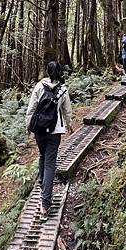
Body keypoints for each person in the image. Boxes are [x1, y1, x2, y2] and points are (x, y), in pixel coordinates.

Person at [26, 61, 73, 220]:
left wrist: (28, 125)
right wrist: (69, 125)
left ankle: (43, 184)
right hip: (54, 131)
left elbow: (31, 108)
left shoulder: (39, 86)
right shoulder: (63, 89)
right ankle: (45, 204)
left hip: (39, 129)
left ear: (47, 71)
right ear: (59, 73)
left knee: (42, 155)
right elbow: (67, 110)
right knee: (49, 163)